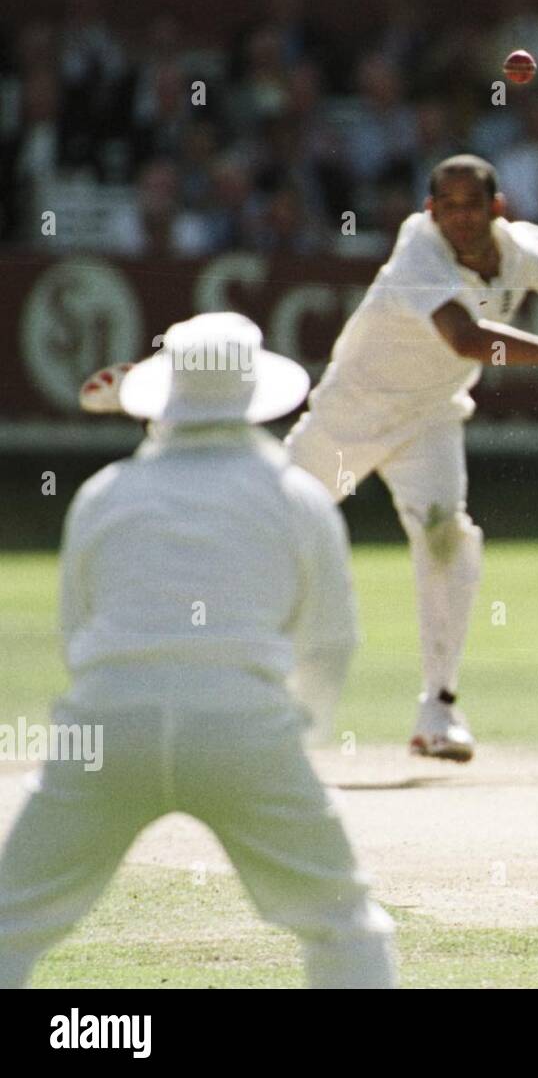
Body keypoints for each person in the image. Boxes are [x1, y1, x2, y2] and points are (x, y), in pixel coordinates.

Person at [0, 313, 396, 987]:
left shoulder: (104, 493)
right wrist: (297, 730)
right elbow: (330, 640)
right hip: (244, 726)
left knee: (10, 921)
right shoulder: (297, 497)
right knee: (344, 925)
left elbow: (77, 632)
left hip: (104, 726)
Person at [285, 154, 538, 762]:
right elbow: (469, 340)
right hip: (349, 417)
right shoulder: (418, 253)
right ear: (430, 212)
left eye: (471, 206)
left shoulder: (519, 251)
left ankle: (439, 708)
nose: (459, 218)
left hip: (429, 418)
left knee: (447, 540)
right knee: (270, 525)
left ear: (496, 208)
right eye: (447, 207)